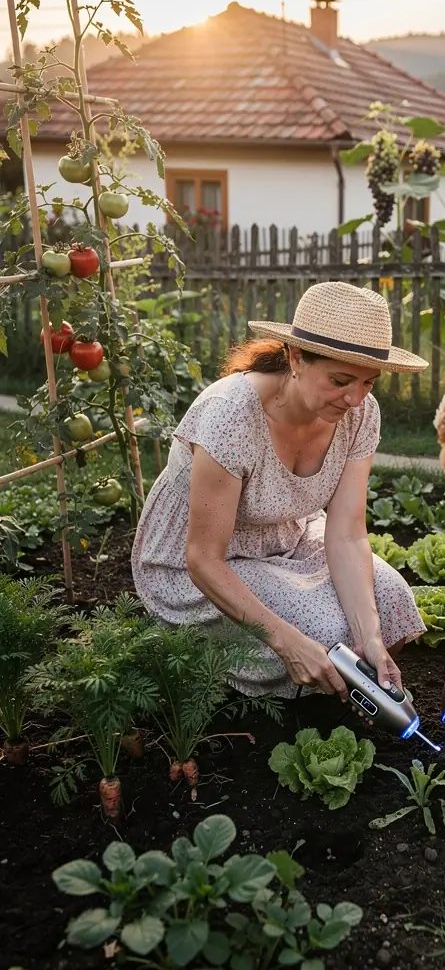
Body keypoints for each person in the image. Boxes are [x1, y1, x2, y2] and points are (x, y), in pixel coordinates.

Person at [132, 281, 428, 700]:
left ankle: (345, 694)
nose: (356, 399)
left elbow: (346, 534)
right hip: (202, 562)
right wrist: (287, 642)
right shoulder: (231, 415)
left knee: (392, 600)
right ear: (296, 358)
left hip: (287, 538)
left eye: (369, 383)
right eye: (342, 380)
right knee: (325, 634)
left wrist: (372, 640)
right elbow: (202, 559)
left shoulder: (360, 416)